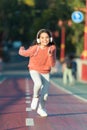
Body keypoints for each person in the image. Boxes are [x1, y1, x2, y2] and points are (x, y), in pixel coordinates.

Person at [19, 29, 56, 117]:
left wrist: (50, 55)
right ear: (38, 39)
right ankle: (35, 97)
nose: (45, 40)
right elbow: (24, 53)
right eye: (42, 38)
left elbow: (52, 64)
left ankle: (41, 109)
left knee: (45, 95)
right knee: (38, 83)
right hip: (34, 69)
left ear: (50, 39)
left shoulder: (52, 48)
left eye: (47, 37)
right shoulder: (35, 48)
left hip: (46, 72)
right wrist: (21, 48)